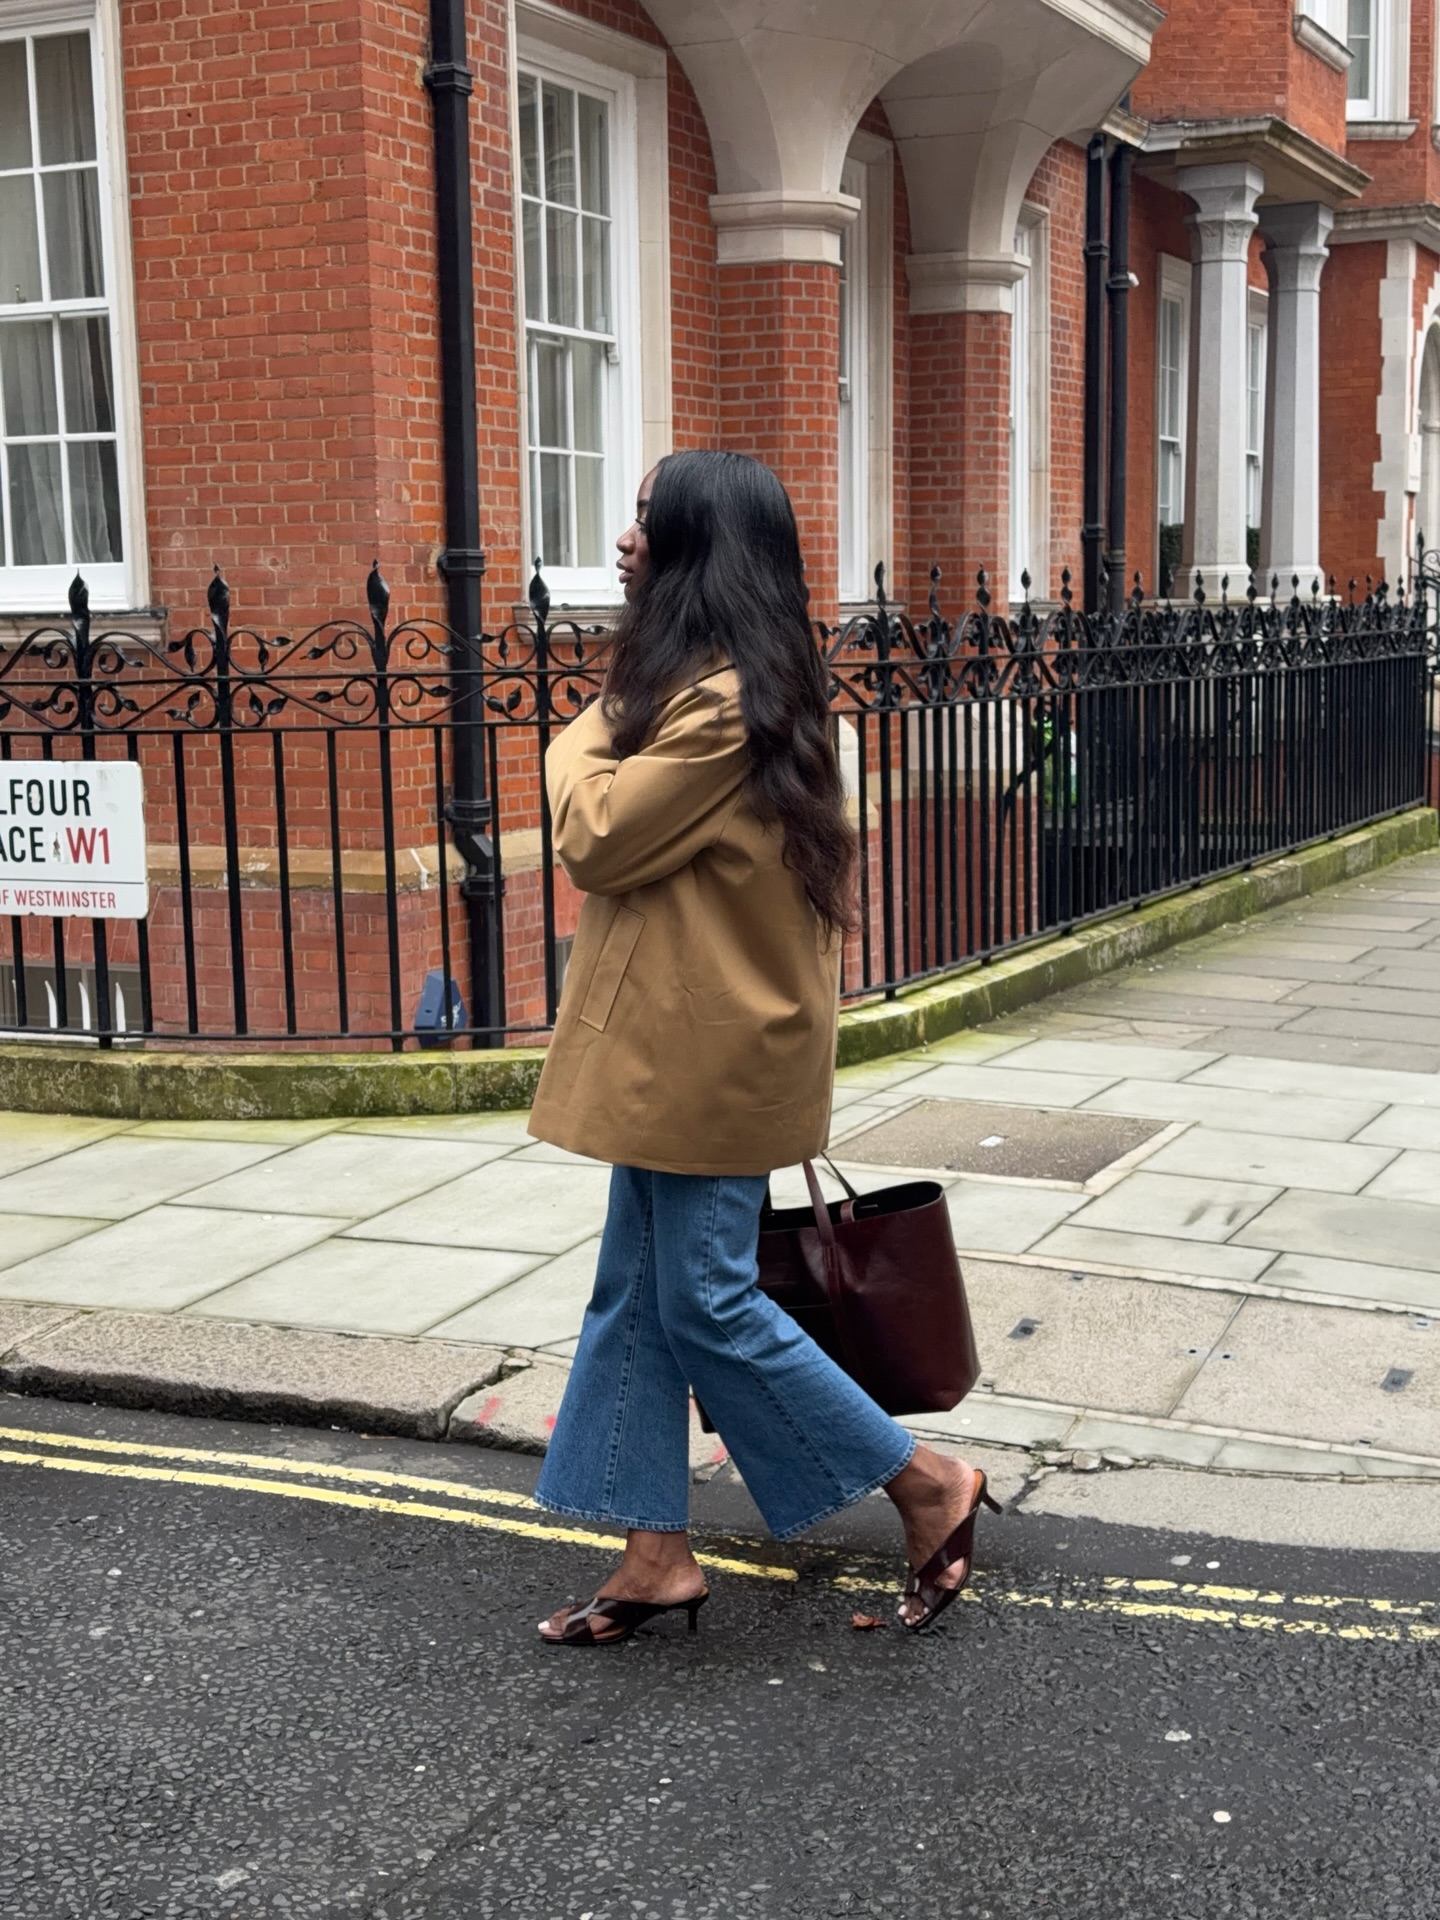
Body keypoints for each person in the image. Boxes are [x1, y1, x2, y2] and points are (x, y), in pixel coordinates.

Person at [527, 450, 996, 1644]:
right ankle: (654, 1552)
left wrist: (588, 725)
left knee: (705, 1300)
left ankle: (924, 1481)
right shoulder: (715, 686)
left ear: (697, 550)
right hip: (676, 1044)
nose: (626, 543)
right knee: (638, 1294)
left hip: (708, 1053)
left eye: (647, 524)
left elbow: (595, 835)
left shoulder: (720, 703)